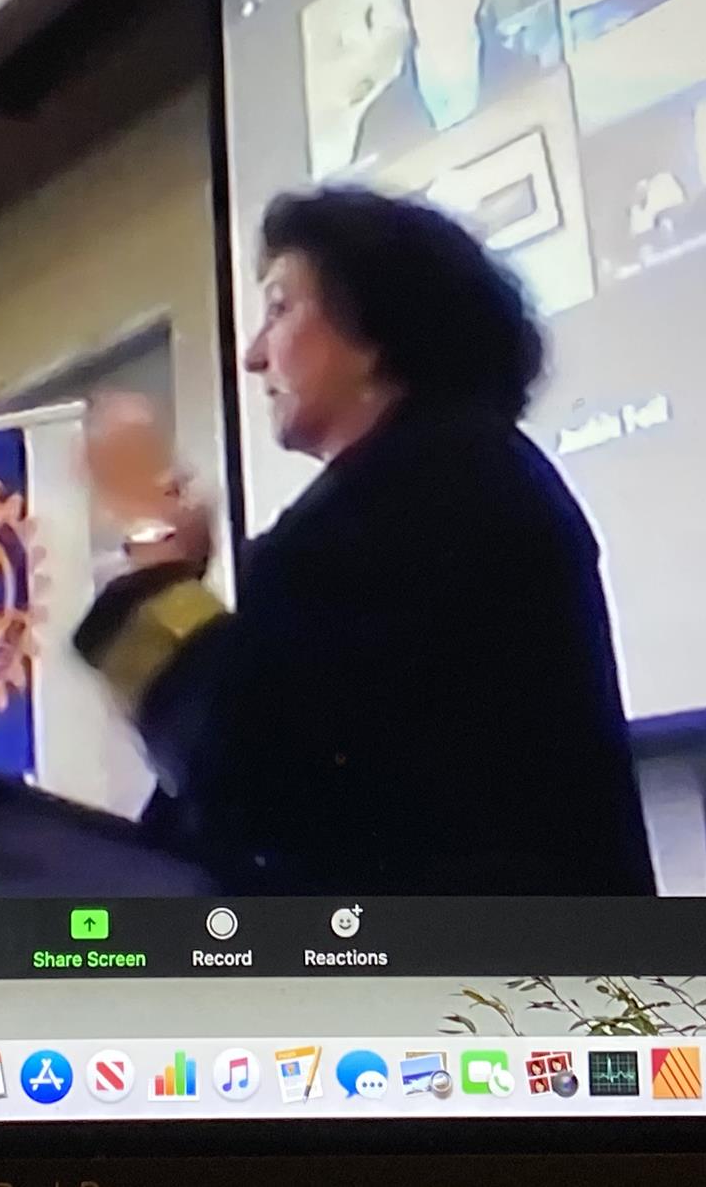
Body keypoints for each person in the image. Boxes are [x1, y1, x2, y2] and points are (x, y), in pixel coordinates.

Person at [74, 189, 657, 897]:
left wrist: (159, 575)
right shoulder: (463, 474)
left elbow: (250, 770)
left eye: (280, 309)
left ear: (374, 327)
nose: (254, 356)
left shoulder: (422, 491)